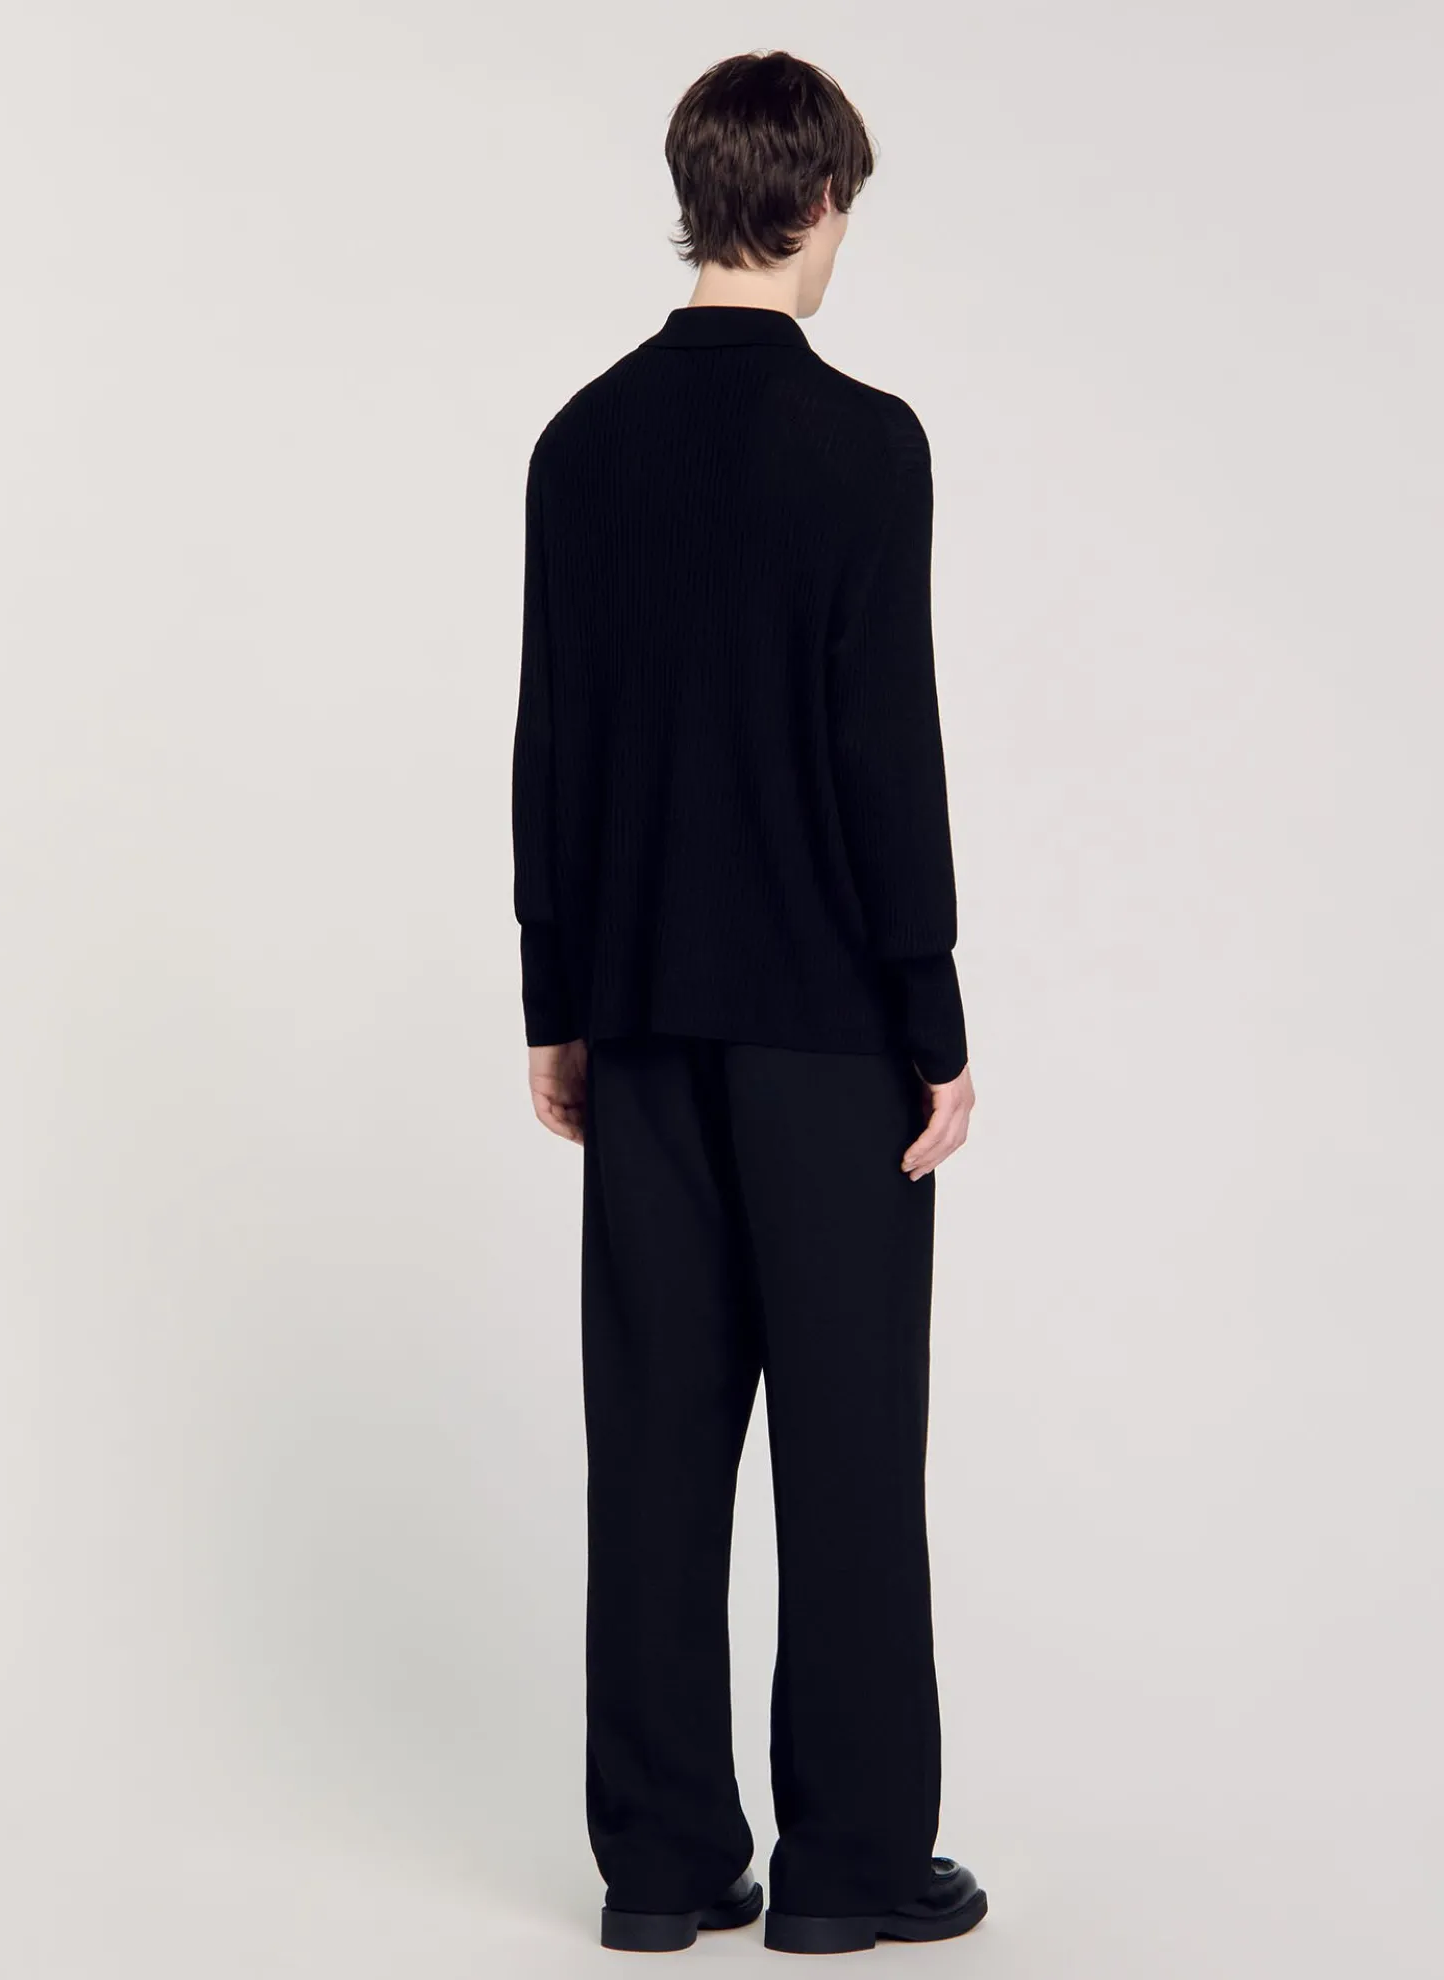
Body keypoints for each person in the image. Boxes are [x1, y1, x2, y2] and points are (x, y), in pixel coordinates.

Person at [511, 50, 986, 1957]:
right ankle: (850, 1872)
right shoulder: (866, 445)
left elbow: (553, 744)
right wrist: (932, 1015)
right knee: (850, 1451)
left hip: (640, 1017)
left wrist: (558, 1001)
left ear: (696, 195)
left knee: (654, 1444)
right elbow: (886, 750)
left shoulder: (581, 443)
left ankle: (660, 1867)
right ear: (820, 203)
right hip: (827, 1029)